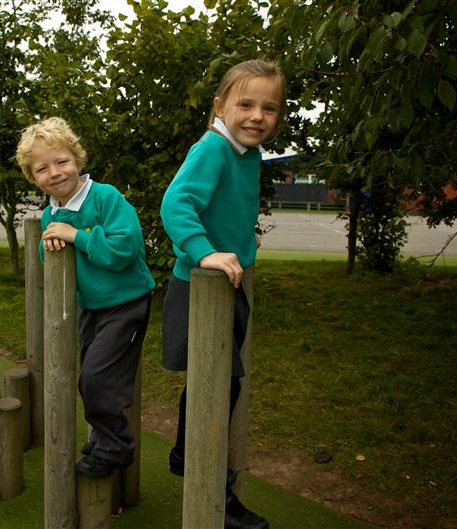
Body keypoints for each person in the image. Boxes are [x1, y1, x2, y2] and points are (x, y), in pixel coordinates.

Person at [160, 59, 286, 529]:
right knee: (218, 383)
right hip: (200, 287)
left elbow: (226, 206)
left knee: (220, 382)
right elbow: (178, 202)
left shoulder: (246, 154)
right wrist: (204, 252)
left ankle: (183, 453)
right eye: (246, 103)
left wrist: (241, 241)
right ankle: (206, 477)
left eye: (269, 108)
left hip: (227, 283)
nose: (257, 115)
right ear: (220, 107)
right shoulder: (213, 148)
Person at [16, 117, 155, 478]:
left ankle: (115, 446)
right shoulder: (51, 213)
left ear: (77, 158)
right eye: (42, 169)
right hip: (90, 306)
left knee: (97, 379)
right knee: (91, 377)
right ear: (34, 178)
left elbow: (124, 250)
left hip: (126, 302)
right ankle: (104, 436)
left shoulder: (105, 198)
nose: (55, 172)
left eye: (61, 161)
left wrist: (76, 236)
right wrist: (52, 243)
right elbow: (53, 263)